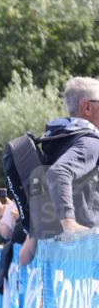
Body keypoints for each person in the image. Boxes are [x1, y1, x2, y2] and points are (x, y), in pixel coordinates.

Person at [43, 76, 99, 234]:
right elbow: (58, 172)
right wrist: (69, 223)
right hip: (88, 244)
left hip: (63, 247)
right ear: (87, 107)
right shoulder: (91, 141)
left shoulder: (59, 140)